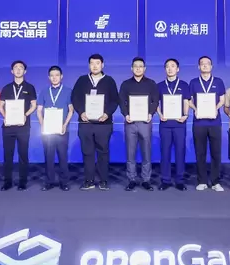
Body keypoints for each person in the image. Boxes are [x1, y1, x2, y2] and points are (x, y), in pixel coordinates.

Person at [71, 54, 120, 191]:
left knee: (103, 152)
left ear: (102, 65)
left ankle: (104, 180)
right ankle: (89, 180)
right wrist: (81, 112)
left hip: (104, 124)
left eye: (97, 63)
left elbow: (115, 100)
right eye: (92, 63)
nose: (95, 66)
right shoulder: (82, 80)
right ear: (89, 65)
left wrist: (107, 113)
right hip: (86, 123)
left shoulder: (109, 81)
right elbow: (75, 98)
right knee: (87, 153)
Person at [119, 57, 159, 191]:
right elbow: (121, 101)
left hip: (145, 122)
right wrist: (126, 114)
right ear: (131, 68)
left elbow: (155, 101)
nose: (138, 68)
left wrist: (150, 114)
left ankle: (146, 180)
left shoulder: (151, 83)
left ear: (144, 69)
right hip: (130, 122)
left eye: (141, 66)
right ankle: (131, 179)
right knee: (130, 153)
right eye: (135, 66)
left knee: (146, 152)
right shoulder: (125, 84)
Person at [188, 56, 226, 191]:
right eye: (202, 64)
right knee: (200, 152)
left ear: (211, 66)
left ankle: (215, 182)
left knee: (216, 153)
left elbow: (222, 100)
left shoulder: (218, 81)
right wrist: (195, 109)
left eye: (207, 64)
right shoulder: (193, 82)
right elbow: (189, 101)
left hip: (215, 122)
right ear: (199, 67)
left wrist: (215, 108)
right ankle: (202, 181)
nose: (205, 66)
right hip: (199, 122)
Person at [0, 60, 37, 191]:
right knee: (7, 155)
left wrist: (25, 114)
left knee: (23, 154)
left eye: (21, 68)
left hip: (23, 126)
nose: (18, 69)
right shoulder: (6, 88)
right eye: (16, 67)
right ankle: (7, 182)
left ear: (25, 71)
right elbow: (0, 105)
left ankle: (22, 182)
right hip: (8, 126)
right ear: (12, 71)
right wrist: (5, 116)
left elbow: (34, 105)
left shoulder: (30, 87)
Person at [36, 65, 74, 191]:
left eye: (57, 75)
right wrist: (43, 125)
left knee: (63, 156)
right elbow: (39, 110)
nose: (54, 78)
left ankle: (64, 182)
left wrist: (65, 125)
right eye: (52, 75)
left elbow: (71, 110)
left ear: (61, 76)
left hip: (62, 130)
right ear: (49, 77)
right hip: (48, 131)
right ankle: (49, 181)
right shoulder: (44, 91)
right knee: (48, 157)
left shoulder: (68, 91)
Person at [156, 58, 190, 191]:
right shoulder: (159, 85)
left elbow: (186, 101)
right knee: (165, 152)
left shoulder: (184, 85)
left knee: (180, 151)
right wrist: (160, 114)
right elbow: (155, 103)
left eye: (173, 66)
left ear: (178, 69)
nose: (170, 69)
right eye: (167, 67)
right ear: (165, 69)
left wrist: (185, 115)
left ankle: (180, 180)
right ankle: (165, 180)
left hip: (179, 123)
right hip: (165, 123)